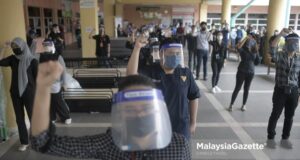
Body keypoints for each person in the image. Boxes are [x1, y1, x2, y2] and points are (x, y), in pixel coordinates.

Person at [30, 70, 191, 159]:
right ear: (120, 114)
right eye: (130, 109)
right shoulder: (109, 144)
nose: (140, 114)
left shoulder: (178, 145)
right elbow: (42, 143)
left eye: (146, 107)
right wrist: (43, 88)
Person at [127, 36, 201, 139]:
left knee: (181, 154)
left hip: (181, 128)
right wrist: (137, 48)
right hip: (155, 128)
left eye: (177, 53)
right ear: (161, 54)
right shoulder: (150, 72)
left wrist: (193, 122)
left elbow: (193, 96)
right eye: (171, 53)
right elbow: (131, 77)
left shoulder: (185, 73)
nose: (175, 56)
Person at [0, 37, 38, 151]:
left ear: (23, 46)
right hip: (15, 93)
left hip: (29, 93)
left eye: (17, 47)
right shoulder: (13, 59)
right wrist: (3, 48)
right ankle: (24, 142)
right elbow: (0, 62)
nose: (15, 49)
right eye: (13, 47)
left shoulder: (32, 61)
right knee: (19, 118)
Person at [266, 30, 300, 149]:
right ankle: (270, 138)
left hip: (294, 91)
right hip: (280, 90)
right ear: (286, 43)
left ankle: (285, 139)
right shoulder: (280, 56)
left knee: (289, 116)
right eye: (293, 42)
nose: (295, 44)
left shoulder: (299, 58)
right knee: (275, 114)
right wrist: (280, 34)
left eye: (297, 42)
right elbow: (272, 48)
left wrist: (298, 93)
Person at [41, 39, 72, 125]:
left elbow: (63, 71)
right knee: (49, 101)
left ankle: (66, 116)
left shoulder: (58, 57)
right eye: (44, 46)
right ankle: (52, 117)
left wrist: (64, 83)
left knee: (58, 101)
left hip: (56, 83)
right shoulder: (42, 56)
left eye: (47, 45)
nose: (46, 47)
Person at [228, 33, 260, 112]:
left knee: (247, 89)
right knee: (237, 88)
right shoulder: (243, 48)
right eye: (249, 39)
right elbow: (238, 47)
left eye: (252, 39)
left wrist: (257, 57)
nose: (250, 40)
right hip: (242, 71)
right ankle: (231, 104)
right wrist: (245, 38)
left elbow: (257, 62)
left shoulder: (255, 50)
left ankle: (244, 105)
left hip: (251, 72)